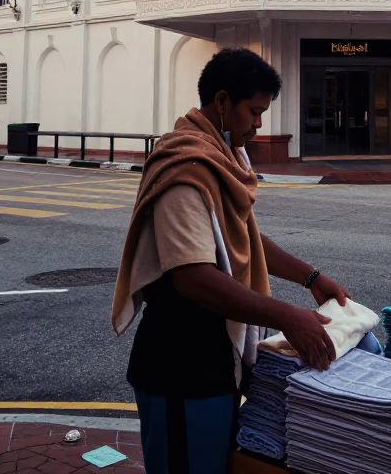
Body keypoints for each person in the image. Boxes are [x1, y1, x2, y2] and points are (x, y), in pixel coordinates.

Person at [113, 47, 351, 474]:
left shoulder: (224, 159)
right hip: (179, 369)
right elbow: (193, 277)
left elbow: (242, 236)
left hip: (216, 362)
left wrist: (311, 278)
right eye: (253, 111)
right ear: (222, 102)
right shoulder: (185, 169)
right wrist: (287, 317)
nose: (258, 125)